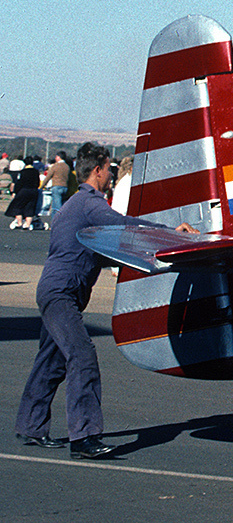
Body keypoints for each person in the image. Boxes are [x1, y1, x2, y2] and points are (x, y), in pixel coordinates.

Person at [15, 143, 195, 457]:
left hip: (55, 290)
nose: (111, 174)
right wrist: (171, 234)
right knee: (81, 356)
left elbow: (97, 251)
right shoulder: (88, 204)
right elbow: (125, 227)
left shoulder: (71, 206)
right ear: (98, 170)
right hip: (61, 295)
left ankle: (30, 426)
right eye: (109, 168)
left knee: (51, 359)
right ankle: (84, 438)